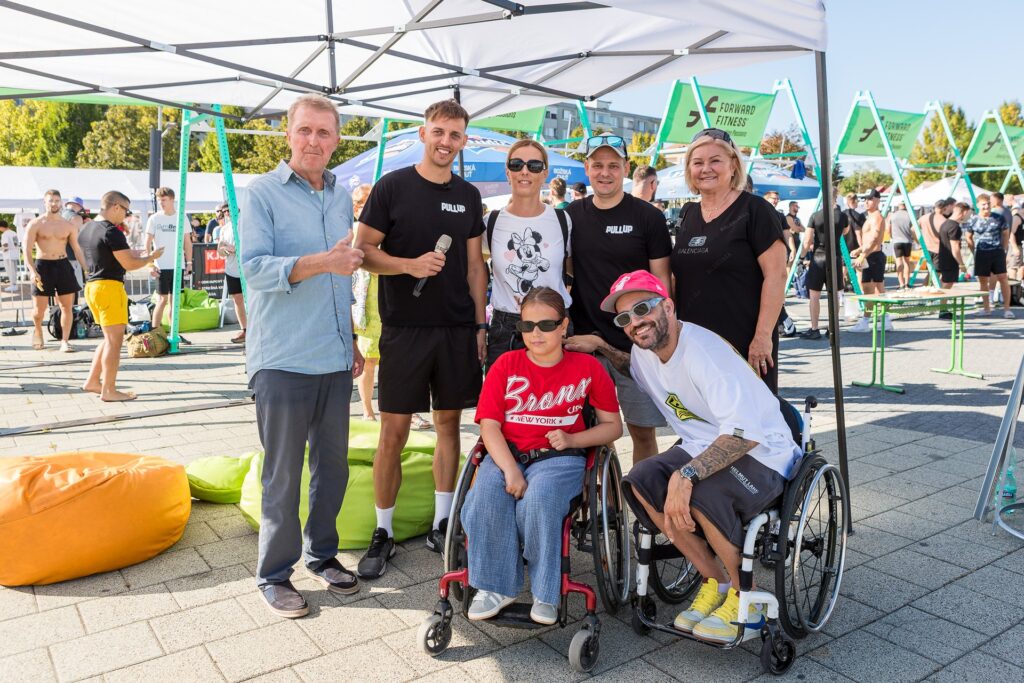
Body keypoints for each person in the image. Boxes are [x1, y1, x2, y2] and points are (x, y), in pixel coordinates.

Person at [599, 270, 801, 644]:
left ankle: (747, 596)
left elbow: (744, 434)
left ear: (668, 306)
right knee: (641, 481)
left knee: (700, 493)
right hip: (702, 443)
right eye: (624, 317)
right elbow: (634, 368)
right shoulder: (644, 354)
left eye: (642, 309)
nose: (635, 322)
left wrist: (687, 475)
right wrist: (601, 346)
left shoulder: (705, 353)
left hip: (763, 451)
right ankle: (716, 580)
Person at [240, 93, 366, 618]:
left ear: (336, 140)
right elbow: (253, 269)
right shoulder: (261, 193)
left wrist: (351, 339)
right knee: (283, 474)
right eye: (305, 130)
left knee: (332, 470)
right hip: (283, 358)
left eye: (324, 132)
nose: (314, 140)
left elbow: (341, 279)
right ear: (288, 134)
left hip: (333, 357)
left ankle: (322, 555)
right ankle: (273, 574)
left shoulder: (339, 196)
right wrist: (322, 262)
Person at [353, 98, 488, 577]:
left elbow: (475, 267)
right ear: (423, 133)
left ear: (463, 141)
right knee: (393, 432)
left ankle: (443, 522)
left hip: (455, 329)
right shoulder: (392, 186)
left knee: (449, 425)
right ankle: (383, 531)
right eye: (439, 132)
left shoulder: (468, 195)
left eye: (455, 135)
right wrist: (408, 265)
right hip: (403, 329)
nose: (446, 142)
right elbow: (362, 251)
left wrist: (479, 326)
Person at [461, 287, 622, 625]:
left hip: (559, 457)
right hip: (507, 452)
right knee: (484, 496)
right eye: (527, 326)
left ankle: (546, 592)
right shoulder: (506, 364)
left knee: (540, 499)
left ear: (563, 326)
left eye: (546, 325)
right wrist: (510, 470)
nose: (536, 334)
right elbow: (489, 427)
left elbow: (613, 427)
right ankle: (494, 587)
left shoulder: (588, 367)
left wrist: (573, 438)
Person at [559, 133, 671, 463]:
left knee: (643, 433)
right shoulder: (570, 216)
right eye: (597, 165)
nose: (605, 173)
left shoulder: (648, 217)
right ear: (586, 168)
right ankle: (608, 494)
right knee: (597, 433)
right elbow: (565, 271)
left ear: (626, 168)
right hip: (586, 342)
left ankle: (640, 494)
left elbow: (662, 283)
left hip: (638, 343)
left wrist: (664, 340)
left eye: (612, 165)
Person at [668, 128, 788, 393]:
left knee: (749, 413)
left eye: (715, 161)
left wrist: (762, 337)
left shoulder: (756, 210)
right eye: (697, 162)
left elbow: (777, 275)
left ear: (733, 165)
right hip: (695, 344)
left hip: (745, 342)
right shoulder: (688, 214)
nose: (706, 169)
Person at [485, 140, 572, 371]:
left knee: (557, 393)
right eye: (517, 164)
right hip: (506, 326)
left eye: (534, 165)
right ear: (508, 172)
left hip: (554, 325)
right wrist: (479, 327)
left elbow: (572, 269)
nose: (525, 171)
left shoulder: (562, 220)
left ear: (545, 173)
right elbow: (474, 270)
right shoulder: (491, 222)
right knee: (503, 393)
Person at [79, 191, 163, 401]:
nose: (126, 215)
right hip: (109, 288)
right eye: (126, 210)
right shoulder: (111, 231)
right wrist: (151, 257)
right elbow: (129, 264)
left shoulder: (87, 228)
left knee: (108, 339)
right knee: (114, 342)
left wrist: (139, 255)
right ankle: (109, 390)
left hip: (92, 286)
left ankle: (93, 381)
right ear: (116, 206)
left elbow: (108, 255)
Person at [23, 189, 87, 352]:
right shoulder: (35, 224)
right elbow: (27, 249)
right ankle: (38, 330)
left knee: (66, 307)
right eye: (51, 201)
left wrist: (87, 269)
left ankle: (64, 341)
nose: (54, 204)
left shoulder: (68, 225)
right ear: (44, 203)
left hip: (63, 265)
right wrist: (32, 271)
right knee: (39, 310)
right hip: (43, 266)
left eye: (57, 201)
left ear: (61, 202)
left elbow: (77, 249)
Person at [145, 187, 193, 332]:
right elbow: (147, 242)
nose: (161, 203)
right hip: (161, 266)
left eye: (164, 200)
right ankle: (154, 332)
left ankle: (174, 333)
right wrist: (149, 264)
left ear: (172, 200)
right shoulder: (154, 218)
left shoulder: (181, 217)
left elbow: (187, 242)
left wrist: (189, 263)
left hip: (178, 265)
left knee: (175, 302)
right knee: (162, 300)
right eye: (159, 200)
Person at [798, 204, 849, 339]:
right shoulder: (842, 216)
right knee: (835, 295)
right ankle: (832, 327)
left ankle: (814, 329)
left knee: (814, 295)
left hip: (818, 257)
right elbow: (845, 231)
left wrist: (801, 258)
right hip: (835, 257)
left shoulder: (815, 216)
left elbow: (807, 240)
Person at [964, 194, 1013, 318]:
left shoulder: (999, 218)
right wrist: (974, 251)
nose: (986, 206)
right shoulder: (973, 220)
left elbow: (1006, 233)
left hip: (997, 251)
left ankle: (1007, 309)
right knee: (983, 281)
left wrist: (1003, 249)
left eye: (988, 204)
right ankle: (986, 308)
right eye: (983, 204)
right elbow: (968, 237)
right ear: (978, 205)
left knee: (1003, 278)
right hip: (981, 253)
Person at [849, 189, 891, 333]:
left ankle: (865, 322)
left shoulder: (876, 217)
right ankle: (886, 320)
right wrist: (859, 250)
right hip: (872, 255)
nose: (867, 202)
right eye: (865, 199)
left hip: (873, 256)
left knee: (869, 291)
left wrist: (863, 255)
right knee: (879, 290)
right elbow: (870, 240)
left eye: (870, 199)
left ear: (877, 200)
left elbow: (874, 239)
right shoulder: (871, 216)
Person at [763, 190, 798, 338]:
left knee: (777, 287)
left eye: (777, 198)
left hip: (778, 257)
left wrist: (792, 249)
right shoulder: (758, 213)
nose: (776, 200)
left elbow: (787, 234)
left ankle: (782, 321)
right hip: (761, 258)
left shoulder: (780, 216)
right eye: (773, 198)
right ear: (765, 199)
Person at [215, 204, 246, 344]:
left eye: (229, 210)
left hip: (246, 268)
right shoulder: (224, 229)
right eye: (224, 211)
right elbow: (220, 251)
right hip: (231, 269)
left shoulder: (244, 224)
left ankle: (257, 329)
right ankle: (245, 329)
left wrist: (232, 248)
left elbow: (244, 246)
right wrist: (224, 250)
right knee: (237, 300)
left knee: (252, 300)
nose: (227, 213)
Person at [937, 202, 969, 292]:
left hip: (943, 257)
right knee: (948, 284)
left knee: (944, 282)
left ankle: (941, 299)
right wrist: (961, 264)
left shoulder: (945, 223)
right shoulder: (955, 227)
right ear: (964, 212)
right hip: (950, 260)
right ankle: (942, 301)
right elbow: (955, 247)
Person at [888, 198, 916, 290]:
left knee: (899, 263)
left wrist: (892, 236)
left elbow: (888, 229)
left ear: (898, 205)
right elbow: (913, 230)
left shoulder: (893, 215)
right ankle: (907, 283)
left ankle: (901, 284)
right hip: (907, 241)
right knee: (906, 263)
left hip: (897, 241)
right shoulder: (910, 215)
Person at [60, 196, 88, 287]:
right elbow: (77, 242)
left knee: (62, 290)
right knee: (73, 289)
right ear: (78, 206)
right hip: (72, 258)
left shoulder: (58, 216)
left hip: (57, 258)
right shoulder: (76, 218)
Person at [1, 220, 19, 292]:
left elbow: (5, 246)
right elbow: (16, 244)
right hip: (15, 254)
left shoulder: (5, 234)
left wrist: (2, 249)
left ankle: (13, 285)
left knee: (10, 271)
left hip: (8, 255)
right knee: (14, 271)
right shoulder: (14, 233)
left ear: (1, 227)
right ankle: (14, 285)